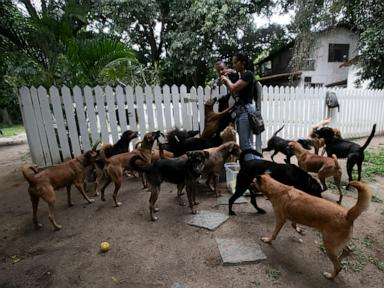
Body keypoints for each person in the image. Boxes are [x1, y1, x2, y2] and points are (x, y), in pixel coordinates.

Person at [220, 52, 259, 161]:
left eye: (235, 62)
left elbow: (233, 88)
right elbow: (234, 93)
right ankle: (258, 166)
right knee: (247, 143)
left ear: (243, 63)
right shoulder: (240, 75)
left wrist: (227, 80)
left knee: (245, 144)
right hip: (241, 111)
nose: (233, 65)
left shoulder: (248, 74)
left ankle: (252, 169)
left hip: (246, 111)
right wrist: (227, 76)